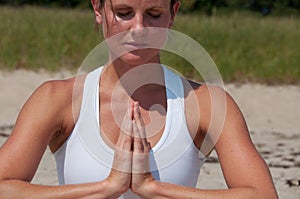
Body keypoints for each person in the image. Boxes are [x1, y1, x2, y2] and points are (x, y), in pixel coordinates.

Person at [0, 0, 278, 198]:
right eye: (123, 12)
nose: (138, 28)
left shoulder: (205, 103)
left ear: (173, 13)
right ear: (98, 8)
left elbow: (262, 195)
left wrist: (153, 189)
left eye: (154, 14)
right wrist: (106, 188)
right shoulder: (56, 99)